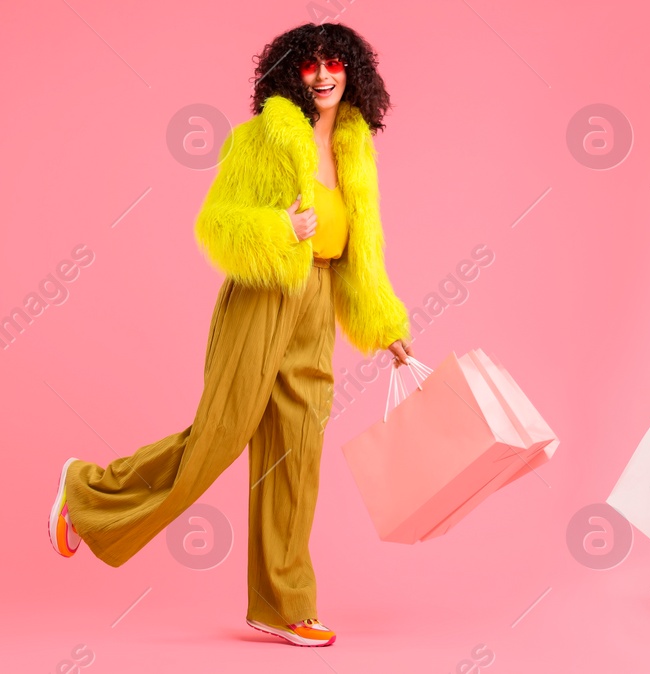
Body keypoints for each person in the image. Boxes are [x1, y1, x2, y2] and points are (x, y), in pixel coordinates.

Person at [46, 23, 413, 648]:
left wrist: (385, 326)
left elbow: (363, 252)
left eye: (335, 64)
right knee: (222, 433)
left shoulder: (356, 149)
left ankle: (283, 605)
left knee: (298, 449)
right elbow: (217, 221)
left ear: (354, 73)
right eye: (309, 66)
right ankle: (87, 494)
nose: (323, 75)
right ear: (289, 74)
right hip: (263, 295)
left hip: (319, 299)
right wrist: (280, 230)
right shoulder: (260, 138)